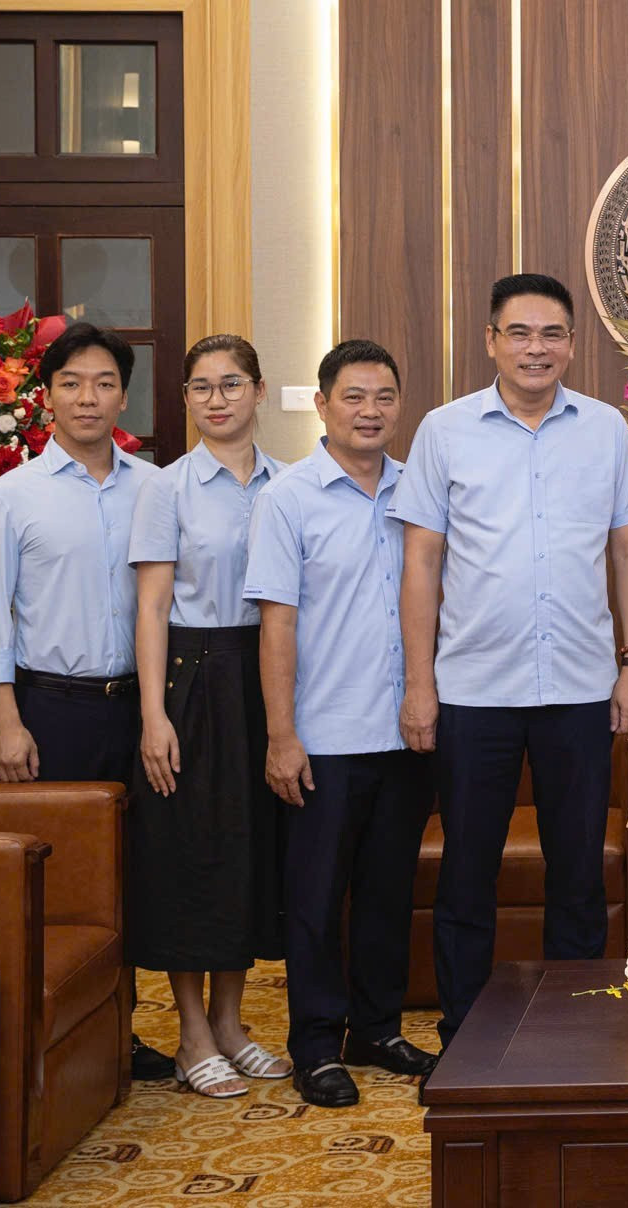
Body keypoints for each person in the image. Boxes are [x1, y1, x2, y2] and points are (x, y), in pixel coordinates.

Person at [391, 272, 628, 1048]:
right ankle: (466, 1035)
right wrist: (419, 684)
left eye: (551, 334)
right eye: (519, 333)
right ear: (491, 341)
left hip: (579, 687)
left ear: (572, 343)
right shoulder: (444, 431)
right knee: (468, 872)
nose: (535, 348)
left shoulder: (605, 429)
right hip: (474, 690)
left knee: (578, 872)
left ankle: (573, 1035)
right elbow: (421, 563)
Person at [0, 320, 173, 1081]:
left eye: (104, 383)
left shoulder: (155, 487)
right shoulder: (9, 497)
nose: (89, 397)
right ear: (47, 396)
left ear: (124, 397)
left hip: (142, 707)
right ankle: (55, 1037)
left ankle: (121, 1029)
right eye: (72, 383)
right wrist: (6, 721)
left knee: (136, 874)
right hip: (52, 710)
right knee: (62, 878)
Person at [242, 339, 436, 1108]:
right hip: (323, 735)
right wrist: (281, 736)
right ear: (323, 405)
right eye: (353, 396)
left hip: (407, 731)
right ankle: (318, 1045)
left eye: (384, 397)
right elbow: (277, 625)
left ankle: (377, 1029)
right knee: (317, 901)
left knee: (388, 893)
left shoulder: (420, 491)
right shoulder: (287, 498)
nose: (370, 411)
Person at [127, 335, 290, 1098]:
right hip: (191, 677)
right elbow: (151, 607)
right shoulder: (168, 489)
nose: (216, 399)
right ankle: (191, 1033)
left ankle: (231, 1023)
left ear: (259, 391)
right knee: (190, 852)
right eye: (200, 387)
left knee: (249, 850)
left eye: (231, 384)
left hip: (267, 674)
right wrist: (153, 714)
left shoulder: (290, 483)